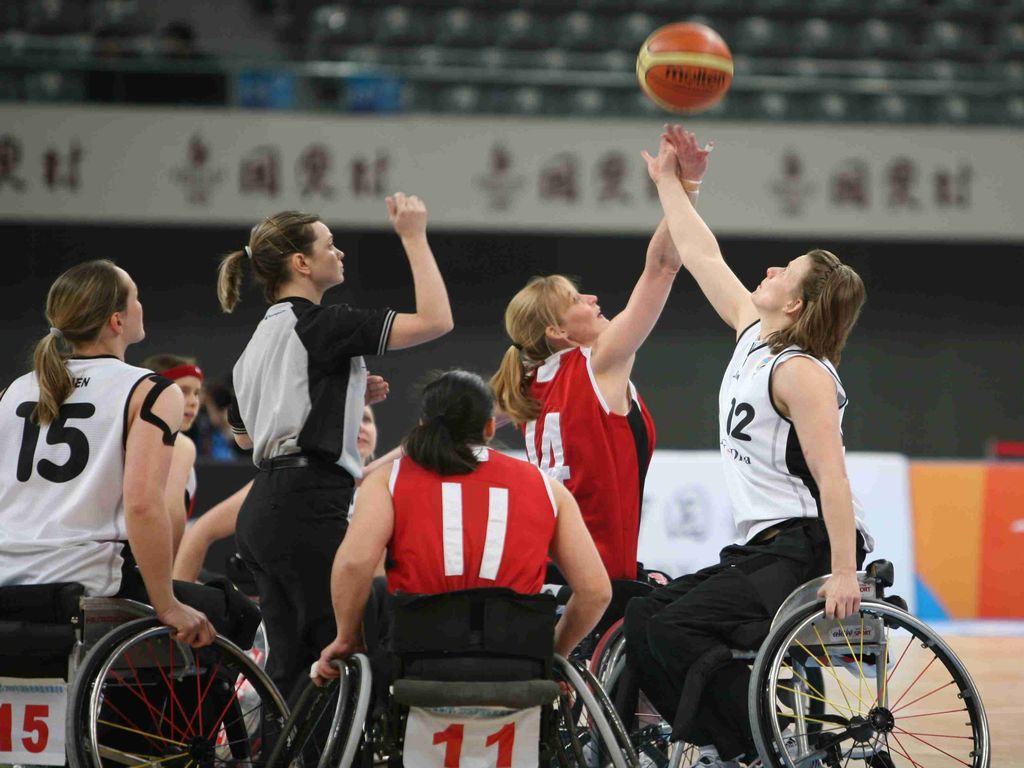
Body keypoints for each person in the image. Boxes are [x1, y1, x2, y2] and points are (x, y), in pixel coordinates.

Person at [623, 126, 873, 768]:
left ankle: (752, 745)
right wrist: (676, 184)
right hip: (763, 548)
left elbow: (835, 480)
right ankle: (731, 736)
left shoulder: (801, 372)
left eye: (782, 271)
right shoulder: (753, 333)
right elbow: (700, 253)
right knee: (647, 614)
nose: (767, 269)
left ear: (797, 301)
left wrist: (844, 571)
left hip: (802, 545)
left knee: (675, 627)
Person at [218, 193, 453, 699]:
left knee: (290, 672)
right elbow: (436, 320)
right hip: (308, 505)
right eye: (330, 245)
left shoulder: (257, 341)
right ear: (301, 263)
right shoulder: (324, 323)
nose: (339, 253)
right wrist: (413, 236)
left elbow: (244, 434)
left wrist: (337, 393)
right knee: (348, 653)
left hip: (263, 510)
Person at [488, 153, 709, 582]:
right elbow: (663, 267)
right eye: (576, 300)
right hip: (595, 571)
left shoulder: (523, 384)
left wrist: (368, 472)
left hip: (541, 563)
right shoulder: (597, 361)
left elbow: (441, 428)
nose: (591, 300)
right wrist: (685, 188)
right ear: (557, 331)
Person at [315, 370, 611, 681]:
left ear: (422, 426)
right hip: (517, 660)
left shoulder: (389, 480)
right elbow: (596, 592)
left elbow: (354, 564)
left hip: (417, 657)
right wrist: (552, 656)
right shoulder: (548, 488)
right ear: (490, 427)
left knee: (377, 598)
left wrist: (347, 639)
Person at [0, 260, 215, 648]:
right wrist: (166, 603)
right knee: (232, 611)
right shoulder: (149, 389)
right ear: (118, 320)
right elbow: (144, 506)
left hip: (7, 579)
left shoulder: (14, 390)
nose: (140, 305)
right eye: (136, 296)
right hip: (84, 576)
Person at [173, 404, 379, 583]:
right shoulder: (292, 479)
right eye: (350, 419)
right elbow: (200, 531)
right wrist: (179, 607)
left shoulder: (386, 487)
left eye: (367, 420)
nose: (360, 427)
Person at [140, 353, 204, 554]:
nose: (193, 401)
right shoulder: (179, 444)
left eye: (197, 393)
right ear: (155, 392)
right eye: (183, 391)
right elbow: (171, 513)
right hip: (145, 563)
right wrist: (168, 578)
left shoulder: (126, 435)